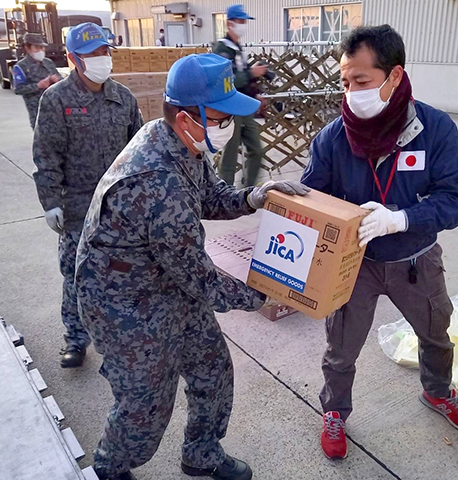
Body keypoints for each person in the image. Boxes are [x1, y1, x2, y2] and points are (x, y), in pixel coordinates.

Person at [75, 53, 309, 480]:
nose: (229, 125)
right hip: (124, 304)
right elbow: (202, 278)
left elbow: (212, 197)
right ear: (187, 117)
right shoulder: (155, 180)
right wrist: (269, 292)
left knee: (212, 369)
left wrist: (254, 196)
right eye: (222, 117)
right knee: (145, 404)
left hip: (166, 281)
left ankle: (200, 453)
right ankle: (109, 468)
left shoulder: (178, 142)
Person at [300, 25, 458, 460]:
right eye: (344, 82)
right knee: (341, 347)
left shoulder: (434, 130)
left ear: (394, 76)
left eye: (361, 81)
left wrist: (401, 219)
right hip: (354, 264)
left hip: (415, 260)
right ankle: (335, 410)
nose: (351, 92)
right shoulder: (333, 138)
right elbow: (313, 199)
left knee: (436, 334)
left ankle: (437, 391)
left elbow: (455, 201)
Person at [32, 22, 142, 369]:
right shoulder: (57, 100)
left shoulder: (123, 98)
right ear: (72, 58)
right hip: (78, 207)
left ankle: (120, 335)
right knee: (78, 276)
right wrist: (50, 203)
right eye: (93, 54)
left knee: (124, 273)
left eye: (105, 52)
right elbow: (46, 156)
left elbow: (140, 150)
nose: (101, 59)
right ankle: (76, 340)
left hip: (119, 208)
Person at [213, 4, 266, 187]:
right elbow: (226, 82)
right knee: (229, 154)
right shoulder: (222, 48)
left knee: (257, 151)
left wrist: (255, 94)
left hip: (244, 108)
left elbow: (241, 80)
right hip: (230, 109)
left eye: (244, 21)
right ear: (229, 23)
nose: (243, 25)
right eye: (240, 21)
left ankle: (248, 188)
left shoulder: (237, 47)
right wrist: (252, 73)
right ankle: (223, 193)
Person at [12, 33, 61, 128]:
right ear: (27, 48)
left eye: (42, 47)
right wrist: (38, 86)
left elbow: (60, 79)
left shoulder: (48, 63)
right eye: (37, 47)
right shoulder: (21, 66)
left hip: (55, 109)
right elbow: (18, 89)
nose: (41, 51)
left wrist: (57, 80)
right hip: (37, 111)